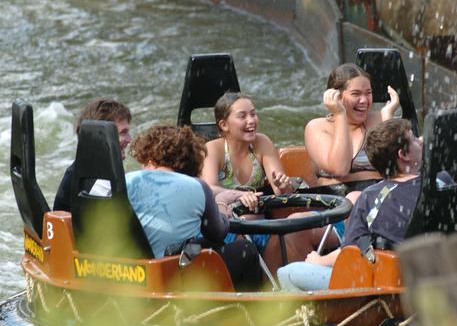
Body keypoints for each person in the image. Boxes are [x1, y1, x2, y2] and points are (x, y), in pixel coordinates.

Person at [278, 118, 451, 292]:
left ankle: (322, 318)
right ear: (403, 155)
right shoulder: (442, 181)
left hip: (391, 285)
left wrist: (319, 261)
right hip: (444, 272)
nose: (420, 140)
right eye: (414, 139)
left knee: (286, 273)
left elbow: (351, 253)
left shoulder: (371, 198)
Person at [200, 92, 339, 273]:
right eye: (242, 116)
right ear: (224, 125)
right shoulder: (213, 149)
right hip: (228, 228)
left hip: (262, 225)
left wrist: (283, 185)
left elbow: (282, 194)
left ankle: (282, 288)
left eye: (253, 113)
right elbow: (209, 189)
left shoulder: (262, 142)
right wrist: (240, 196)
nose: (251, 120)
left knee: (285, 235)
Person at [127, 125, 261, 290]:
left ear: (150, 159)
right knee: (245, 249)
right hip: (174, 271)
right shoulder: (198, 186)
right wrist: (221, 203)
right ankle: (250, 309)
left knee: (198, 243)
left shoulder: (126, 181)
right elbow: (217, 233)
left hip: (133, 273)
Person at [304, 63, 401, 196]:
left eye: (368, 93)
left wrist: (389, 120)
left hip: (378, 197)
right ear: (336, 97)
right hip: (335, 203)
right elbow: (340, 169)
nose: (364, 100)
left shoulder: (382, 118)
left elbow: (400, 166)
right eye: (356, 94)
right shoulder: (317, 127)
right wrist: (340, 114)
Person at [53, 98, 132, 211]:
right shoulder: (102, 182)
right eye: (123, 133)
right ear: (100, 135)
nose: (129, 140)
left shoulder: (81, 169)